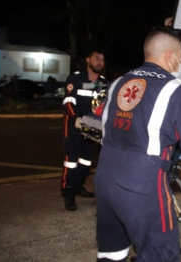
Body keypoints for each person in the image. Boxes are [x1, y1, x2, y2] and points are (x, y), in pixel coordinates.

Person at [93, 25, 181, 262]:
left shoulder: (117, 84)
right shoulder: (179, 92)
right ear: (170, 56)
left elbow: (108, 129)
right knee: (160, 255)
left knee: (111, 252)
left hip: (104, 179)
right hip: (143, 186)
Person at [60, 47, 109, 211]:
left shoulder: (102, 82)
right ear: (88, 60)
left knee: (86, 160)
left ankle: (78, 186)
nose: (99, 62)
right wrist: (76, 118)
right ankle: (68, 193)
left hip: (91, 126)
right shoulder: (75, 77)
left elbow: (101, 107)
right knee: (71, 160)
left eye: (102, 59)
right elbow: (68, 101)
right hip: (74, 123)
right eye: (96, 58)